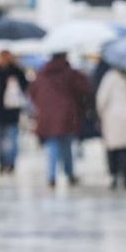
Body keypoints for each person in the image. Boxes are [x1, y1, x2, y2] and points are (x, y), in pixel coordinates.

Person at [29, 51, 92, 188]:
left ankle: (52, 175)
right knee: (66, 144)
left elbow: (33, 91)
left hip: (47, 114)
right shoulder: (69, 73)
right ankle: (69, 173)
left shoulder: (42, 73)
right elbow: (84, 89)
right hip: (66, 114)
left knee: (52, 145)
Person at [0, 50, 29, 174]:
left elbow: (25, 88)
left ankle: (11, 163)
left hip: (12, 113)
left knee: (12, 139)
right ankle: (2, 163)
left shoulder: (17, 72)